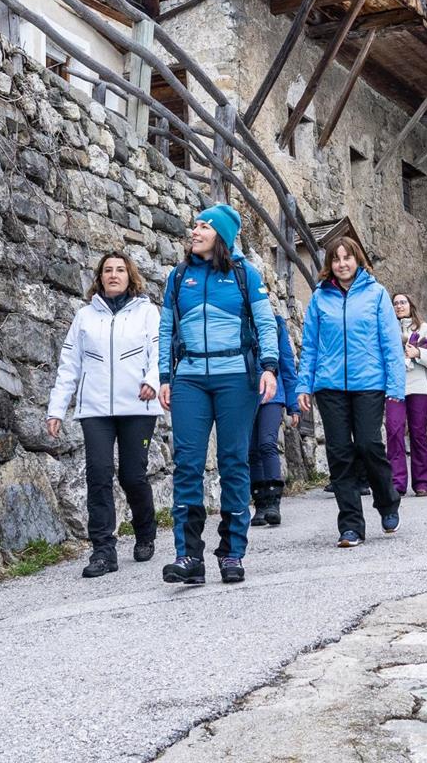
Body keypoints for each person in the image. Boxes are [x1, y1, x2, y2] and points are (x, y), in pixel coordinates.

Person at [157, 203, 279, 585]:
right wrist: (164, 375)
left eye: (204, 226)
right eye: (195, 226)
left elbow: (264, 322)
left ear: (221, 236)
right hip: (190, 378)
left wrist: (269, 368)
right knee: (188, 465)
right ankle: (188, 555)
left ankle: (231, 553)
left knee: (233, 463)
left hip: (236, 378)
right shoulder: (178, 277)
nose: (194, 231)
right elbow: (165, 330)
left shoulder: (245, 275)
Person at [46, 253, 162, 576]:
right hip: (95, 408)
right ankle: (102, 551)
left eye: (120, 270)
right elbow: (69, 365)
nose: (113, 275)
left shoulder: (147, 312)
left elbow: (159, 352)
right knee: (98, 474)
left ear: (130, 276)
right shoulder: (85, 317)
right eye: (107, 270)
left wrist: (152, 381)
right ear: (100, 278)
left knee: (131, 475)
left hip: (138, 404)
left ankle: (145, 531)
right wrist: (56, 409)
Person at [296, 237, 406, 546]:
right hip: (329, 386)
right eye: (336, 259)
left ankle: (387, 502)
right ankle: (351, 526)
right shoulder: (320, 298)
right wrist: (304, 384)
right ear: (329, 265)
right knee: (340, 453)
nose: (342, 263)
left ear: (357, 260)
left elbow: (390, 343)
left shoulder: (376, 294)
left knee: (370, 445)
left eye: (347, 257)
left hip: (368, 383)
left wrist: (395, 386)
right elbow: (311, 347)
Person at [385, 292, 427, 497]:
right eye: (395, 303)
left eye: (403, 302)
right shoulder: (386, 331)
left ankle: (423, 482)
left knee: (418, 434)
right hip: (394, 387)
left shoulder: (425, 330)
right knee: (393, 431)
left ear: (411, 305)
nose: (399, 306)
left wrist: (418, 353)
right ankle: (396, 482)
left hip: (419, 387)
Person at [250, 305, 301, 527]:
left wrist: (293, 405)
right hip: (242, 395)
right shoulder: (234, 320)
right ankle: (259, 505)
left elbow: (287, 366)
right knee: (250, 451)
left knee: (267, 444)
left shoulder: (276, 324)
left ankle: (273, 502)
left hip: (272, 395)